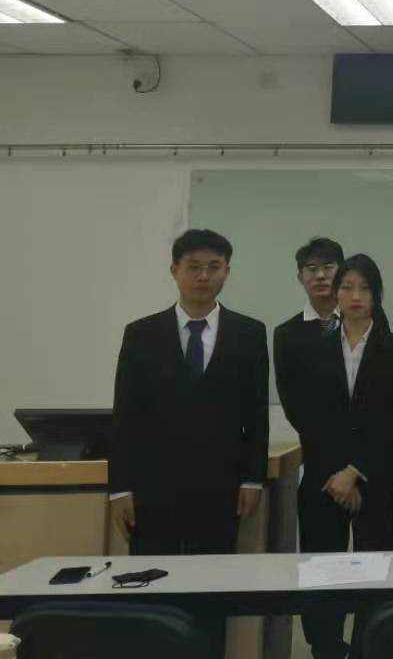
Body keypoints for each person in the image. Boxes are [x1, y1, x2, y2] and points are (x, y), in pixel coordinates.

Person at [108, 229, 268, 657]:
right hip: (153, 487)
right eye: (194, 267)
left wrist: (253, 478)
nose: (203, 276)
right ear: (174, 271)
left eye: (214, 267)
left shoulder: (249, 333)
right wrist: (120, 488)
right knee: (150, 590)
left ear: (227, 272)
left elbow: (256, 415)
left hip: (221, 487)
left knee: (212, 592)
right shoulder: (141, 334)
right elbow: (125, 415)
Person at [290, 254, 393, 659]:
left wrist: (356, 471)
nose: (356, 296)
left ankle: (366, 649)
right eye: (348, 287)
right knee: (323, 573)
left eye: (365, 288)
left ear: (377, 294)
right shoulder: (315, 346)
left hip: (375, 477)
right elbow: (309, 417)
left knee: (374, 572)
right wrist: (337, 475)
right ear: (336, 293)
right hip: (324, 477)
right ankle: (325, 648)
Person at [274, 237, 345, 434]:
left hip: (367, 442)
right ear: (300, 277)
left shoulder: (363, 322)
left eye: (328, 267)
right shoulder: (286, 334)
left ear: (342, 272)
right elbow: (289, 397)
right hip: (315, 442)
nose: (320, 275)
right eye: (312, 269)